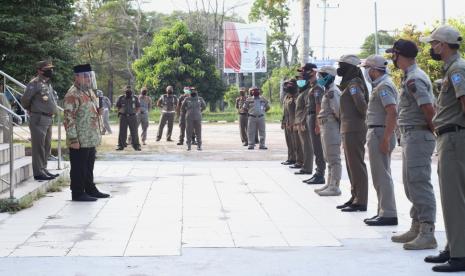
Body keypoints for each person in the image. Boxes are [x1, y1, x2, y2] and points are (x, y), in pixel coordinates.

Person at [421, 25, 465, 273]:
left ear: (444, 45)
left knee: (454, 199)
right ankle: (454, 246)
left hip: (455, 139)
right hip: (451, 138)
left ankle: (459, 255)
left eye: (434, 43)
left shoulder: (457, 70)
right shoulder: (453, 69)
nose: (432, 48)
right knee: (454, 198)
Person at [387, 39, 438, 250]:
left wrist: (432, 131)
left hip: (418, 136)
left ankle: (427, 232)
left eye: (394, 54)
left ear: (401, 55)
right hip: (410, 136)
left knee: (419, 183)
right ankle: (416, 225)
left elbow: (428, 109)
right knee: (410, 184)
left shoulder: (414, 79)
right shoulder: (409, 77)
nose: (393, 58)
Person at [361, 55, 398, 225]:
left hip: (380, 132)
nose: (366, 72)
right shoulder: (380, 85)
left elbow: (392, 112)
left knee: (382, 174)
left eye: (367, 69)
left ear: (374, 70)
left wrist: (386, 138)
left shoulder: (384, 86)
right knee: (379, 174)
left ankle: (388, 213)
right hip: (378, 132)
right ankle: (383, 210)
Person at [63, 64, 109, 201]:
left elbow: (89, 110)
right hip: (79, 139)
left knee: (88, 166)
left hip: (90, 137)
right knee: (78, 167)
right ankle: (77, 192)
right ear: (77, 77)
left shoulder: (88, 91)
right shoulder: (73, 94)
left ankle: (89, 188)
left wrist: (98, 111)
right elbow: (68, 118)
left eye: (89, 75)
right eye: (85, 76)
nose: (88, 78)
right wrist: (73, 139)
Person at [334, 55, 370, 213]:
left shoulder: (355, 83)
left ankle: (361, 200)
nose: (339, 68)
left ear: (349, 67)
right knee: (351, 165)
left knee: (356, 165)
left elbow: (362, 106)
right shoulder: (349, 83)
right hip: (348, 128)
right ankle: (355, 196)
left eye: (341, 65)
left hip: (354, 128)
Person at [21, 61, 58, 181]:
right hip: (38, 118)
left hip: (48, 118)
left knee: (47, 145)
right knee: (39, 146)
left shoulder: (47, 83)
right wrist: (31, 110)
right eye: (47, 69)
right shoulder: (34, 83)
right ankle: (38, 172)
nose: (50, 71)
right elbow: (25, 100)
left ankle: (43, 168)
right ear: (39, 70)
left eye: (51, 69)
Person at [315, 66, 342, 196]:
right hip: (326, 126)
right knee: (328, 157)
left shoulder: (333, 92)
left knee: (334, 158)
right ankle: (330, 183)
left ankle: (335, 186)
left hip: (331, 126)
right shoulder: (328, 91)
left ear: (330, 76)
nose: (319, 78)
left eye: (322, 76)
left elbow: (338, 111)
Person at [304, 64, 326, 185]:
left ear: (313, 72)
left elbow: (318, 105)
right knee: (314, 147)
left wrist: (318, 124)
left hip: (314, 116)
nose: (304, 73)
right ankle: (317, 172)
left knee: (318, 147)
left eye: (306, 71)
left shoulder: (317, 87)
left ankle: (320, 174)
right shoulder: (312, 86)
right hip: (310, 116)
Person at [294, 64, 315, 175]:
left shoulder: (308, 91)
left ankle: (307, 168)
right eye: (298, 78)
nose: (299, 80)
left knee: (307, 146)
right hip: (300, 122)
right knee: (304, 146)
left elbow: (307, 108)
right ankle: (305, 166)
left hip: (304, 123)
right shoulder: (302, 92)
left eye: (301, 78)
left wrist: (302, 121)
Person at [115, 85, 141, 151]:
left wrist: (134, 113)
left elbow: (138, 107)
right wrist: (120, 111)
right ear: (125, 90)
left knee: (134, 131)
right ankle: (121, 145)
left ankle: (136, 145)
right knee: (122, 132)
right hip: (123, 116)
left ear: (131, 90)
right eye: (127, 90)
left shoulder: (135, 98)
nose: (128, 91)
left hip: (132, 116)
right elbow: (118, 106)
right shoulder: (121, 98)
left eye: (129, 89)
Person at [281, 80, 298, 165]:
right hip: (287, 122)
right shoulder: (286, 97)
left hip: (293, 122)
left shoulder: (296, 96)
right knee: (289, 142)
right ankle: (290, 158)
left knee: (295, 142)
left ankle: (296, 159)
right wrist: (283, 122)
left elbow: (297, 111)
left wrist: (294, 123)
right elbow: (284, 111)